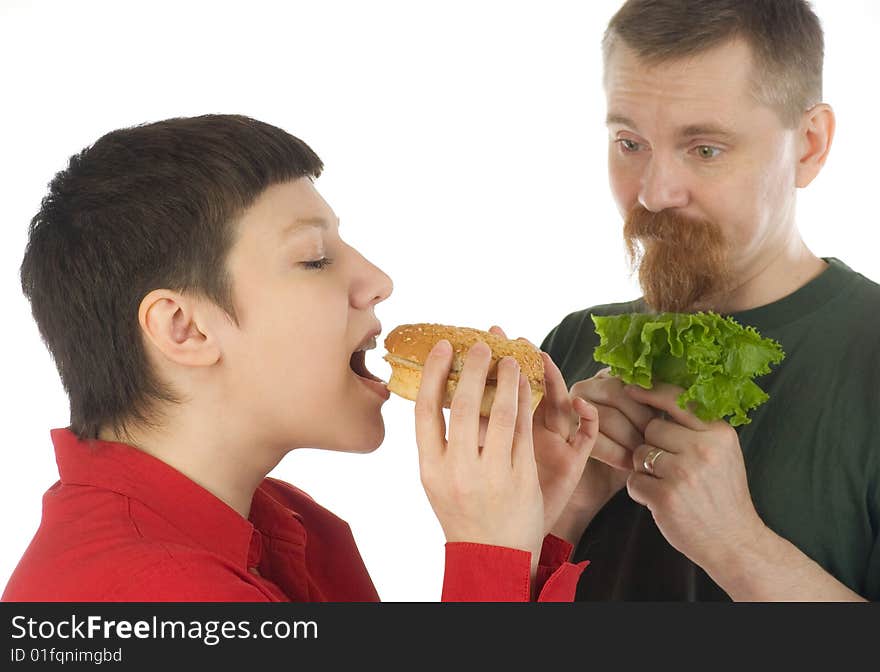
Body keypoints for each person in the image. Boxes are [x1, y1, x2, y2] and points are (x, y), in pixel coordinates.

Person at [2, 114, 598, 602]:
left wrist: (524, 532)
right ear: (184, 328)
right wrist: (485, 550)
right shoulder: (149, 596)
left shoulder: (294, 527)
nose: (377, 280)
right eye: (314, 258)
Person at [543, 0, 880, 601]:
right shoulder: (572, 345)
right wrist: (563, 514)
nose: (654, 193)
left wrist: (735, 543)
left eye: (704, 149)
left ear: (809, 145)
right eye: (630, 142)